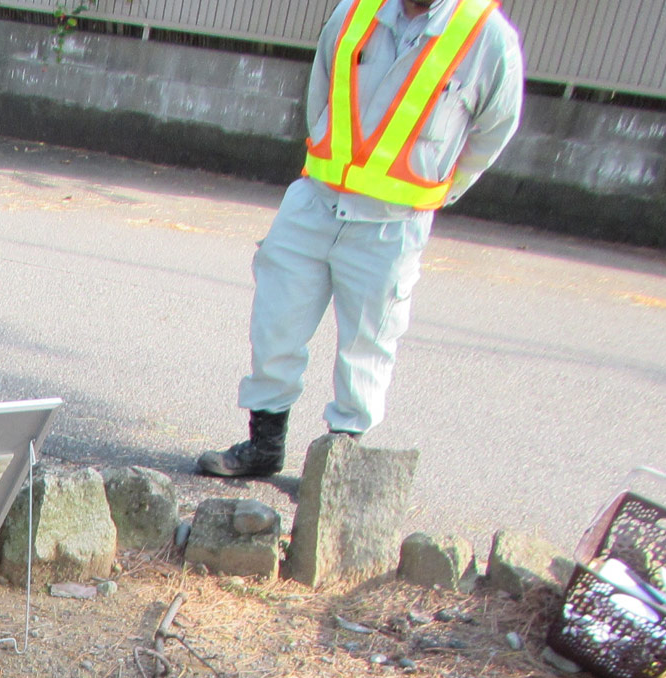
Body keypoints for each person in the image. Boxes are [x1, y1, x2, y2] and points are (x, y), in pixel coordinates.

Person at [199, 0, 525, 479]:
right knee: (275, 323)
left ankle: (337, 466)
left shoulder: (489, 38)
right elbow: (321, 90)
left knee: (368, 345)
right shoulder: (356, 11)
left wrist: (436, 189)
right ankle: (263, 446)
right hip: (316, 200)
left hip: (392, 223)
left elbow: (494, 130)